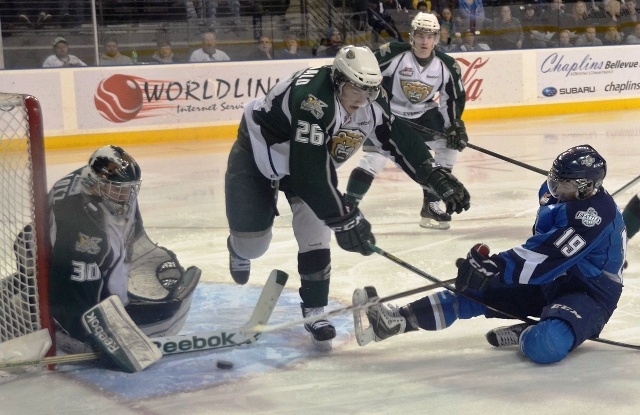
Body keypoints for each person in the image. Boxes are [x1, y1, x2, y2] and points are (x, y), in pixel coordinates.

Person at [224, 45, 470, 350]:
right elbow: (309, 173)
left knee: (316, 235)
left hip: (306, 165)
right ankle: (238, 248)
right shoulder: (313, 101)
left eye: (369, 89)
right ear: (338, 80)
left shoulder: (370, 98)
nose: (362, 97)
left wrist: (433, 176)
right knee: (253, 246)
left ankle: (314, 309)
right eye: (356, 87)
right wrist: (345, 218)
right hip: (260, 157)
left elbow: (395, 137)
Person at [354, 144, 625, 365]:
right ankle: (397, 321)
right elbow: (540, 243)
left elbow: (549, 257)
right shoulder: (554, 195)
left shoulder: (595, 216)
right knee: (475, 289)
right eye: (555, 180)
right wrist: (492, 272)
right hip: (552, 278)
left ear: (586, 187)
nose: (555, 189)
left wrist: (498, 265)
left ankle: (528, 331)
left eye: (563, 185)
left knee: (544, 345)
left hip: (589, 293)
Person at [42, 145, 200, 368]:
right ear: (95, 183)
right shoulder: (80, 222)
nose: (126, 196)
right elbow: (71, 288)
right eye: (119, 190)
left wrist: (152, 257)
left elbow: (133, 237)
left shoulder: (107, 189)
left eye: (131, 189)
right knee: (86, 297)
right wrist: (91, 336)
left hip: (73, 262)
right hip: (56, 271)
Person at [346, 13, 469, 230]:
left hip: (425, 114)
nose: (424, 41)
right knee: (374, 158)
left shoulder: (447, 65)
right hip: (391, 114)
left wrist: (453, 126)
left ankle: (430, 205)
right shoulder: (393, 53)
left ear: (436, 38)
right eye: (420, 35)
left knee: (449, 148)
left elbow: (451, 99)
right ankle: (347, 207)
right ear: (412, 36)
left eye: (429, 36)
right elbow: (366, 71)